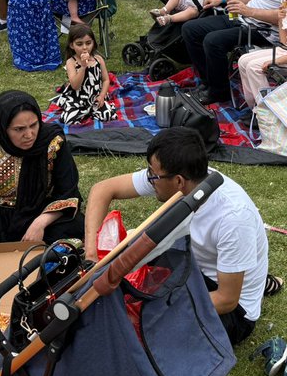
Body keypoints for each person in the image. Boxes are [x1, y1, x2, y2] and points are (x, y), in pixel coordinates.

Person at [82, 127, 276, 346]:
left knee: (142, 334)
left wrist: (158, 308)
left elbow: (227, 300)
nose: (150, 179)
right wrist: (91, 256)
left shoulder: (233, 218)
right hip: (195, 267)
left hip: (234, 312)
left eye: (153, 175)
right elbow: (102, 190)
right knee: (135, 257)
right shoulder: (185, 177)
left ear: (178, 182)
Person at [0, 90, 84, 246]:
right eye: (19, 129)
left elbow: (68, 190)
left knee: (74, 228)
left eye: (34, 125)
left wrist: (40, 223)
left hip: (41, 212)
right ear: (3, 128)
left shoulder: (53, 142)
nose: (29, 134)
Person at [50, 23, 116, 124]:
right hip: (77, 99)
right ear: (72, 45)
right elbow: (75, 85)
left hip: (95, 97)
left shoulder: (98, 59)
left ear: (93, 43)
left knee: (108, 115)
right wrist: (83, 67)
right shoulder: (71, 62)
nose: (85, 47)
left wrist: (102, 96)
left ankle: (93, 114)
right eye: (79, 44)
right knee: (68, 120)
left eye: (88, 43)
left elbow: (106, 80)